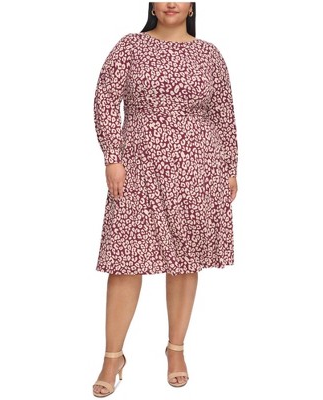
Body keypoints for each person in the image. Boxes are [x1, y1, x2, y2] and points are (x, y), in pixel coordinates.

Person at [92, 2, 238, 397]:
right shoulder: (130, 46)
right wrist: (112, 158)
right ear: (151, 5)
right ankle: (112, 357)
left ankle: (176, 350)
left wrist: (229, 168)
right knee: (125, 260)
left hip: (198, 170)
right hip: (138, 167)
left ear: (192, 6)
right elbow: (105, 100)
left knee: (186, 258)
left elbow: (224, 115)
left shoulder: (209, 54)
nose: (171, 2)